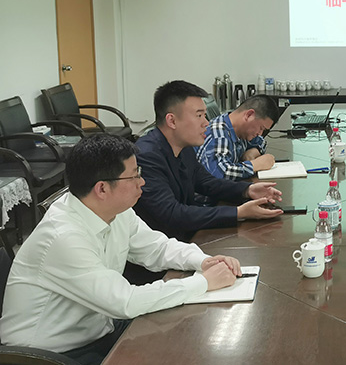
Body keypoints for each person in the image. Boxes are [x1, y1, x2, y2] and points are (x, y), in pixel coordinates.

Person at [0, 134, 242, 365]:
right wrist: (202, 282)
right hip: (49, 355)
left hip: (98, 330)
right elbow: (125, 301)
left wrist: (203, 261)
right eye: (134, 175)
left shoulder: (114, 211)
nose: (142, 182)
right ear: (102, 189)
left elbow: (157, 247)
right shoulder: (62, 237)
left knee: (185, 337)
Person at [134, 80, 283, 243]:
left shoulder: (184, 147)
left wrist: (248, 190)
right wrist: (238, 213)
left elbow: (207, 182)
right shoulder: (146, 156)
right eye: (199, 115)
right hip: (161, 247)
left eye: (205, 115)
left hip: (183, 239)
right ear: (172, 121)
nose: (206, 122)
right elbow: (172, 214)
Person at [196, 94, 280, 180]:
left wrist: (254, 151)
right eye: (261, 128)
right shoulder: (219, 135)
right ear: (249, 115)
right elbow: (220, 173)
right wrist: (255, 165)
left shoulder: (242, 130)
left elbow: (261, 142)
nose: (260, 133)